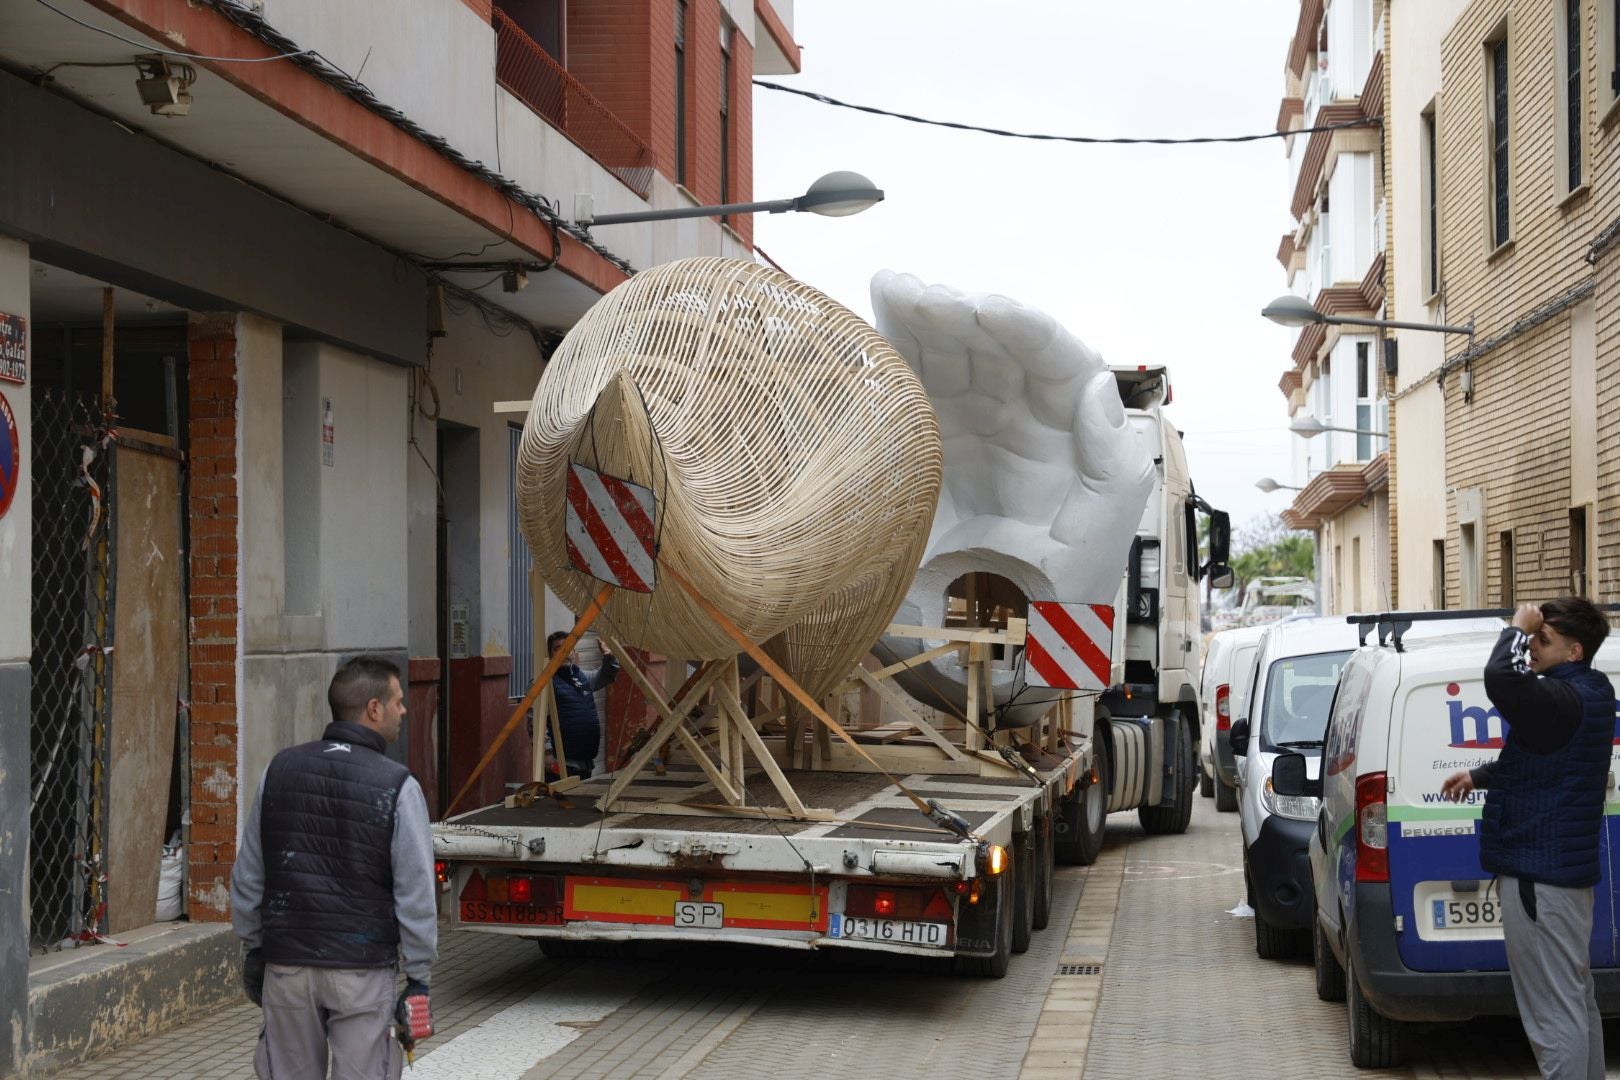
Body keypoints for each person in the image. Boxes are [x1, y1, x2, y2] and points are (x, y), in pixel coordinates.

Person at [230, 655, 438, 1079]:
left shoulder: (278, 770)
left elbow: (249, 875)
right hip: (360, 972)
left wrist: (255, 948)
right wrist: (418, 976)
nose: (403, 710)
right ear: (373, 709)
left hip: (286, 966)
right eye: (397, 701)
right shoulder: (397, 785)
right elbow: (415, 891)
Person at [1442, 598, 1614, 1080]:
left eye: (1545, 640)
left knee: (1552, 1017)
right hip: (1563, 879)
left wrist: (1516, 630)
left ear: (1574, 651)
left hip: (1539, 878)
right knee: (1574, 1000)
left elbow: (1501, 679)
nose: (1534, 647)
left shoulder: (1560, 700)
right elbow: (1544, 763)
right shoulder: (1589, 692)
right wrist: (1480, 775)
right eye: (1533, 638)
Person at [548, 631, 619, 779]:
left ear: (574, 652)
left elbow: (607, 675)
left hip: (586, 763)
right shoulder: (545, 683)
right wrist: (547, 756)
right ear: (550, 654)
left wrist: (608, 655)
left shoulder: (582, 678)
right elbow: (534, 723)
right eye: (558, 648)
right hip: (561, 766)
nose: (564, 652)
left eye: (568, 648)